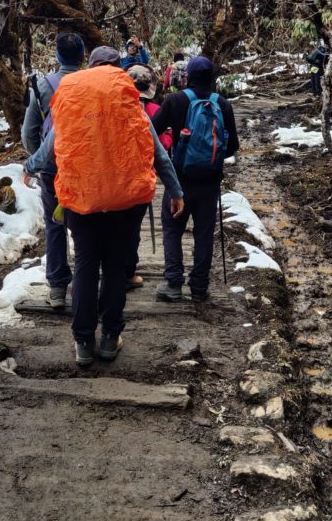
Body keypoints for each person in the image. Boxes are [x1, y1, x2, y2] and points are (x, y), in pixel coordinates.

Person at [23, 45, 184, 367]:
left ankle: (83, 341)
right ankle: (110, 337)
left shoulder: (73, 103)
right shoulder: (131, 104)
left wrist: (29, 167)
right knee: (113, 269)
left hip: (82, 201)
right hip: (125, 201)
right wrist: (176, 190)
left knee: (84, 267)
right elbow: (157, 153)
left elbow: (49, 149)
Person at [151, 55, 239, 303]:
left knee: (172, 228)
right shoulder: (222, 104)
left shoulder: (176, 100)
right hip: (210, 182)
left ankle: (174, 283)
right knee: (203, 233)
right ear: (212, 78)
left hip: (179, 178)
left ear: (187, 76)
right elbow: (232, 146)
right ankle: (199, 287)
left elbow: (151, 132)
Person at [21, 32, 85, 309]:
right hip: (85, 165)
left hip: (53, 167)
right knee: (86, 223)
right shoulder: (91, 83)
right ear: (83, 56)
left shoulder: (42, 85)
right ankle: (87, 280)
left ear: (57, 56)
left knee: (54, 226)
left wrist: (39, 157)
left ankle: (58, 288)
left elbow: (28, 132)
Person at [124, 64, 173, 289]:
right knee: (132, 228)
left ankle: (112, 269)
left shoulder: (118, 107)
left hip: (118, 173)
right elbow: (162, 144)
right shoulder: (154, 109)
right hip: (143, 177)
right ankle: (128, 270)